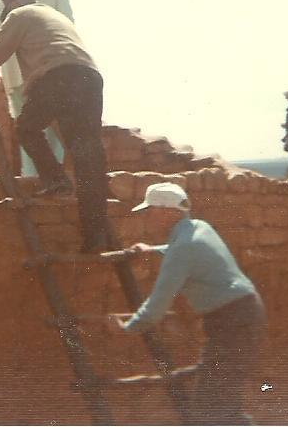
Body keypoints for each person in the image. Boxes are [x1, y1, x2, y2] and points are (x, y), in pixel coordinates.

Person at [0, 0, 108, 253]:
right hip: (89, 78)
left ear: (10, 6)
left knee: (26, 128)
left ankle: (56, 180)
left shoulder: (19, 15)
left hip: (56, 76)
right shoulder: (52, 15)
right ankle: (97, 236)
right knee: (87, 155)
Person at [110, 182, 267, 425]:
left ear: (166, 212)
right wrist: (153, 250)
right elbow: (185, 249)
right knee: (222, 403)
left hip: (232, 322)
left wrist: (127, 328)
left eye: (149, 211)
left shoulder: (182, 248)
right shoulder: (199, 228)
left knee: (213, 407)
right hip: (242, 314)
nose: (146, 217)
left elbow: (157, 305)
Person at [0, 0, 74, 177]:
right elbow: (68, 26)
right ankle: (55, 180)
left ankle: (33, 179)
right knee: (54, 132)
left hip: (15, 72)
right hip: (50, 70)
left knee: (27, 127)